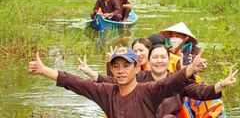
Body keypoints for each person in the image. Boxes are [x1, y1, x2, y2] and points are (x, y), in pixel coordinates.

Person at [28, 47, 207, 118]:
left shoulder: (149, 90)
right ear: (111, 70)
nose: (121, 71)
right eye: (116, 67)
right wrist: (44, 70)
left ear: (135, 68)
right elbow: (75, 82)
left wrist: (190, 69)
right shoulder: (106, 92)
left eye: (126, 66)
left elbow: (171, 83)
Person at [80, 45, 238, 118]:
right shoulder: (140, 78)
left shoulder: (176, 80)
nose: (159, 61)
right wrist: (90, 72)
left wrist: (222, 84)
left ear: (168, 60)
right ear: (149, 60)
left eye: (163, 57)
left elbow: (200, 92)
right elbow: (112, 83)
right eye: (155, 57)